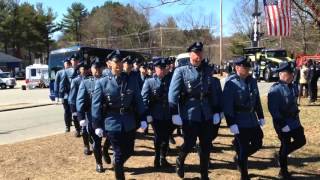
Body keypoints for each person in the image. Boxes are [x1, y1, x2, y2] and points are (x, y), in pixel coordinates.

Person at [168, 42, 221, 180]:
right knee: (190, 143)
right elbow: (173, 93)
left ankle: (204, 175)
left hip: (207, 113)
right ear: (190, 54)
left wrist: (216, 110)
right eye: (196, 53)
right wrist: (174, 113)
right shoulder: (181, 71)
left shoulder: (208, 70)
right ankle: (180, 159)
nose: (198, 56)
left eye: (200, 53)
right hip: (189, 113)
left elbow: (213, 91)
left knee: (206, 145)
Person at [91, 50, 146, 180]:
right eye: (116, 62)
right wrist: (97, 124)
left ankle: (117, 162)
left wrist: (143, 117)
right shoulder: (102, 82)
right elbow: (96, 105)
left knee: (129, 150)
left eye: (121, 62)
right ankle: (119, 172)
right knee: (119, 154)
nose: (119, 65)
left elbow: (138, 99)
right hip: (112, 121)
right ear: (109, 63)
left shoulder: (131, 80)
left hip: (128, 121)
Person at [222, 56, 265, 180]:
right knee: (244, 147)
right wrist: (231, 123)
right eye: (244, 67)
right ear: (237, 68)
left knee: (258, 142)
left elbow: (256, 99)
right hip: (239, 120)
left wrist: (260, 115)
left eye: (248, 67)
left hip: (251, 118)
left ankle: (239, 157)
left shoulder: (252, 81)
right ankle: (244, 174)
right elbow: (227, 104)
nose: (247, 69)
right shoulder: (231, 83)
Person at [267, 61, 306, 179]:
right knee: (286, 144)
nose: (292, 75)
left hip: (294, 121)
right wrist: (282, 124)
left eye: (292, 73)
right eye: (290, 73)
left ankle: (281, 156)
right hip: (282, 122)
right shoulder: (275, 89)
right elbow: (273, 109)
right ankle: (283, 172)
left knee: (301, 140)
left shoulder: (292, 86)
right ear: (282, 74)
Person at [77, 60, 111, 173]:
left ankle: (105, 150)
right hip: (93, 117)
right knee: (96, 143)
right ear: (90, 69)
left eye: (99, 68)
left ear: (102, 69)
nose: (97, 70)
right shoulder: (86, 83)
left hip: (108, 116)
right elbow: (80, 101)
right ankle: (99, 163)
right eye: (94, 68)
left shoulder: (108, 81)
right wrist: (81, 117)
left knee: (111, 137)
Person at [141, 57, 172, 169]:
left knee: (167, 136)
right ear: (155, 68)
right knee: (158, 137)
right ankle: (157, 157)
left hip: (168, 114)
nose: (162, 70)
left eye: (164, 68)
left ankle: (163, 158)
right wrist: (147, 114)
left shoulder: (171, 80)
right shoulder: (149, 82)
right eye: (160, 68)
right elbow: (144, 100)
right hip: (155, 114)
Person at [54, 58, 72, 132]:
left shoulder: (73, 71)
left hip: (73, 94)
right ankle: (67, 126)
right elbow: (56, 84)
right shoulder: (60, 73)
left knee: (74, 111)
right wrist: (57, 96)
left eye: (68, 63)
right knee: (67, 111)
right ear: (64, 64)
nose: (67, 64)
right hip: (65, 95)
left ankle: (75, 124)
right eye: (65, 63)